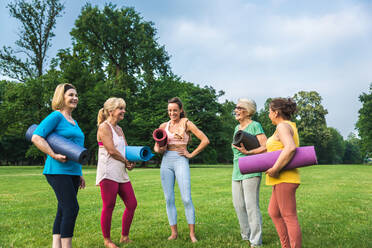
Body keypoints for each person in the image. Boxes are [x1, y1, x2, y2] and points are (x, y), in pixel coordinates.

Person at [31, 83, 86, 248]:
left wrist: (80, 173)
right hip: (57, 170)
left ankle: (56, 245)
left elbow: (75, 149)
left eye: (76, 95)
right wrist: (53, 154)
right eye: (70, 95)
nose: (74, 98)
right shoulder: (56, 116)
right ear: (61, 97)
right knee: (71, 208)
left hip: (73, 172)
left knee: (63, 209)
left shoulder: (74, 122)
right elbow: (36, 137)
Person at [154, 97, 209, 243]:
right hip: (166, 161)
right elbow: (156, 147)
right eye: (170, 110)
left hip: (180, 160)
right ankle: (174, 233)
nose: (172, 113)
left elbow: (205, 140)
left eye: (175, 110)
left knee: (186, 198)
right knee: (169, 198)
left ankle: (192, 234)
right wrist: (159, 148)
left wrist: (190, 154)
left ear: (180, 111)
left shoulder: (187, 123)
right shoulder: (163, 125)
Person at [96, 97, 137, 248]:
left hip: (121, 172)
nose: (123, 111)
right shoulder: (104, 127)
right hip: (108, 172)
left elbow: (125, 150)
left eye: (123, 108)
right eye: (120, 108)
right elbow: (112, 151)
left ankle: (124, 237)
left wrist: (131, 161)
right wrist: (125, 161)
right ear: (111, 111)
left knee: (132, 204)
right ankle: (107, 240)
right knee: (109, 205)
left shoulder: (119, 129)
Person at [265, 97, 302, 248]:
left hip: (284, 177)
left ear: (276, 112)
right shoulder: (285, 126)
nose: (268, 114)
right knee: (274, 212)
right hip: (281, 179)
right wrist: (248, 151)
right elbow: (273, 148)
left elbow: (290, 147)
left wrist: (275, 169)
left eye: (269, 111)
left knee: (289, 216)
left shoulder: (282, 126)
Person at [231, 98, 267, 248]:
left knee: (251, 205)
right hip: (237, 170)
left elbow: (266, 146)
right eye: (236, 108)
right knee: (238, 204)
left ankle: (256, 240)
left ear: (247, 110)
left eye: (239, 108)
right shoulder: (236, 128)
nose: (236, 110)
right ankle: (246, 234)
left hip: (251, 168)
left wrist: (249, 152)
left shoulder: (255, 125)